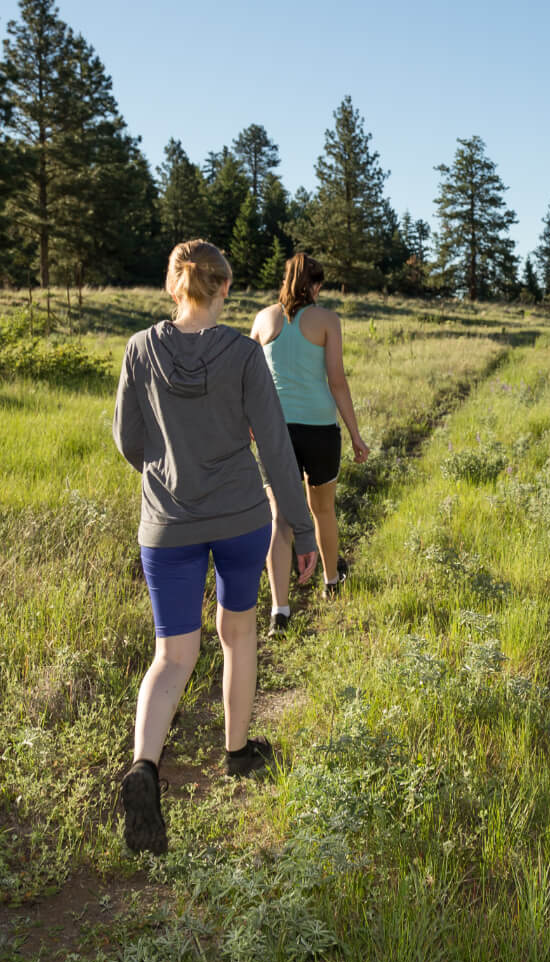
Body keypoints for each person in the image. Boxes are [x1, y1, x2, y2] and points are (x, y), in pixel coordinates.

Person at [112, 239, 319, 855]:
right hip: (239, 519)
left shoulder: (139, 349)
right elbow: (276, 447)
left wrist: (166, 475)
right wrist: (303, 531)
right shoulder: (242, 353)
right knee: (238, 634)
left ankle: (143, 768)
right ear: (224, 288)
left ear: (174, 287)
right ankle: (236, 751)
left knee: (171, 655)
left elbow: (128, 439)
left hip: (166, 523)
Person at [251, 252, 370, 630]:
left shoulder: (262, 319)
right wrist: (355, 435)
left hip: (275, 431)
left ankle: (279, 612)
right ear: (315, 285)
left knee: (280, 519)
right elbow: (337, 381)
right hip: (319, 429)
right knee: (323, 510)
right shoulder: (327, 321)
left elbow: (247, 379)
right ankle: (331, 583)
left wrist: (249, 423)